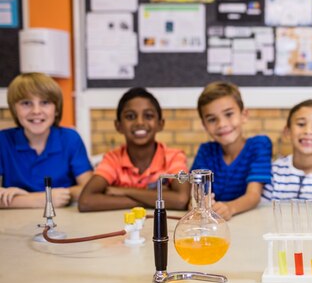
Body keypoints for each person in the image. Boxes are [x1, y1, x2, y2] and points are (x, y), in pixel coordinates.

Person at [78, 87, 190, 211]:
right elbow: (86, 202)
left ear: (160, 124)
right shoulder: (113, 159)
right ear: (118, 125)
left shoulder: (174, 157)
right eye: (130, 116)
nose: (140, 122)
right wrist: (156, 198)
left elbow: (181, 200)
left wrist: (123, 191)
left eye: (148, 116)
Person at [0, 73, 92, 208]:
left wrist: (16, 200)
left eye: (45, 102)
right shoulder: (3, 141)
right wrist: (44, 199)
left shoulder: (70, 138)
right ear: (14, 109)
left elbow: (89, 188)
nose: (36, 111)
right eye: (26, 103)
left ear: (56, 108)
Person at [191, 81, 271, 219]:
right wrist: (196, 204)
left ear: (244, 115)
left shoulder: (259, 145)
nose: (222, 124)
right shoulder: (205, 151)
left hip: (247, 221)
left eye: (228, 114)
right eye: (212, 119)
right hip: (212, 224)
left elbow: (253, 195)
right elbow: (196, 195)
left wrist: (230, 208)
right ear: (204, 125)